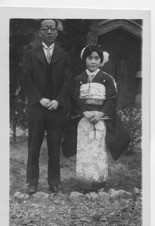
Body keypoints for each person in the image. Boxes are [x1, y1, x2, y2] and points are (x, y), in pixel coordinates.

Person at [62, 43, 130, 191]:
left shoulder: (107, 79)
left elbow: (112, 98)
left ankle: (99, 182)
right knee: (84, 150)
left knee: (98, 150)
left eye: (96, 58)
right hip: (84, 120)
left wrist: (100, 113)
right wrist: (84, 112)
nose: (93, 61)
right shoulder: (78, 79)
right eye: (90, 58)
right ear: (84, 60)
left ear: (101, 60)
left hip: (100, 120)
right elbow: (74, 97)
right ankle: (84, 183)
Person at [22, 19, 72, 194]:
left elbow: (68, 81)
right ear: (40, 32)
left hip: (55, 109)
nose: (49, 31)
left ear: (57, 33)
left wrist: (58, 100)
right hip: (37, 108)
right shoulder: (31, 54)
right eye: (45, 29)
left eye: (52, 29)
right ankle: (32, 183)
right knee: (33, 147)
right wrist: (39, 99)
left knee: (54, 146)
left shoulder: (63, 55)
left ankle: (54, 182)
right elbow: (26, 79)